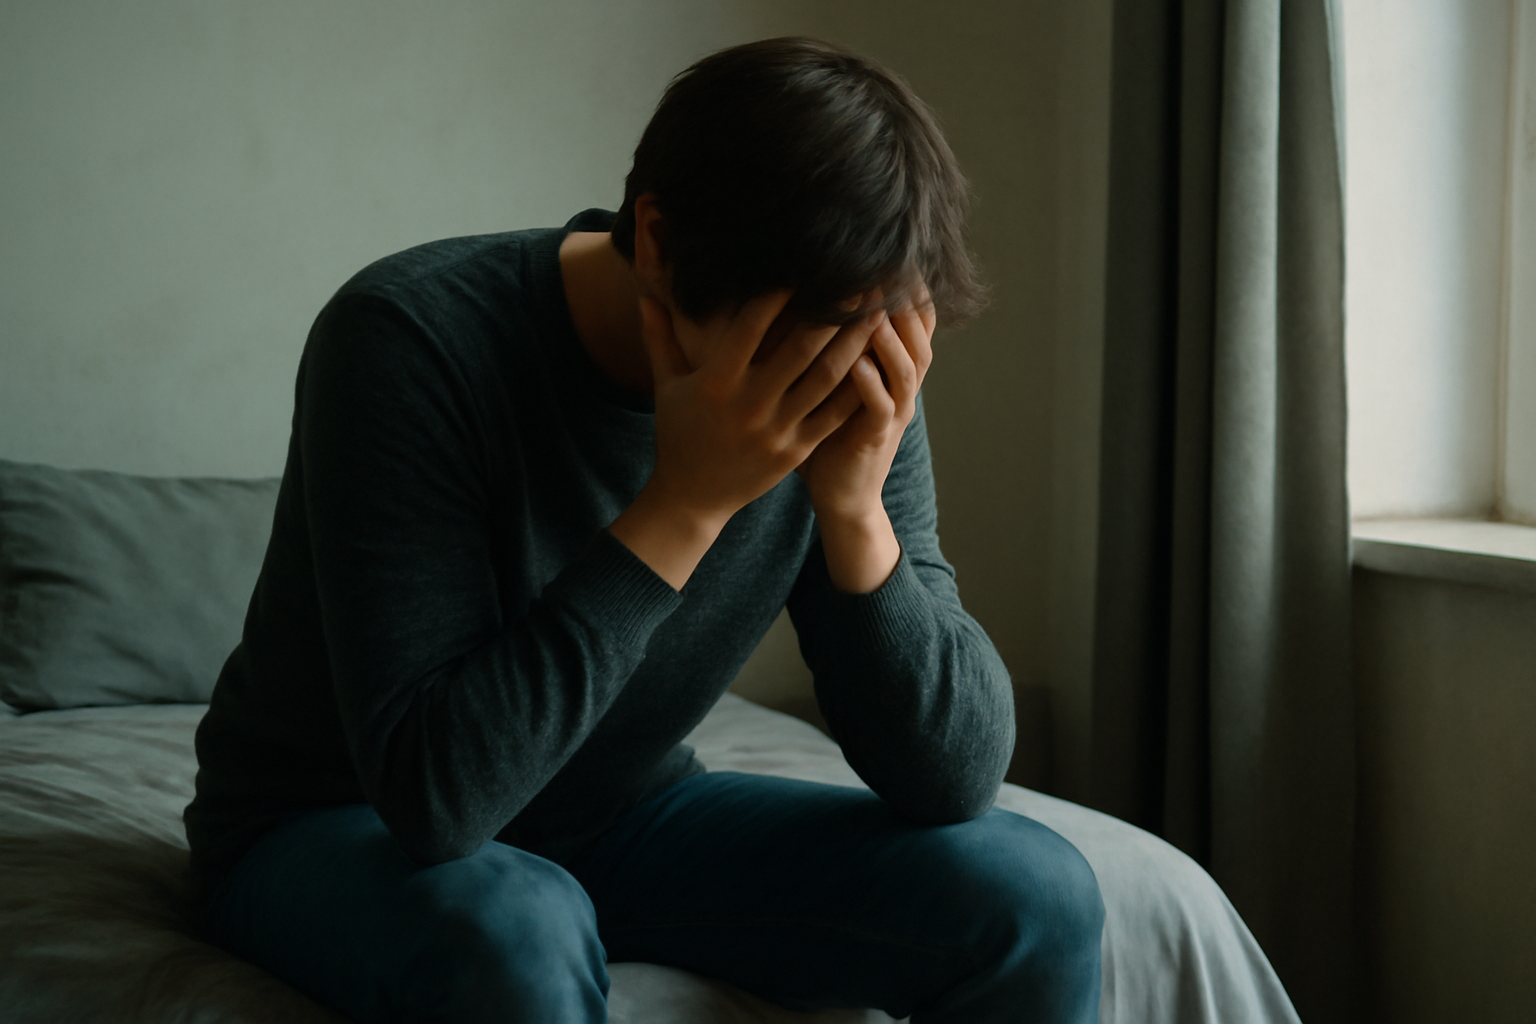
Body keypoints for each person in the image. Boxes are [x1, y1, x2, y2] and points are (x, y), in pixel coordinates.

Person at [184, 36, 1105, 1023]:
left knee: (1035, 893)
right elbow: (435, 798)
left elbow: (958, 779)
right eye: (820, 328)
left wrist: (855, 513)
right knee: (513, 926)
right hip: (334, 820)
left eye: (879, 326)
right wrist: (688, 502)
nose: (848, 368)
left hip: (619, 814)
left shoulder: (853, 368)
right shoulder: (407, 341)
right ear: (660, 245)